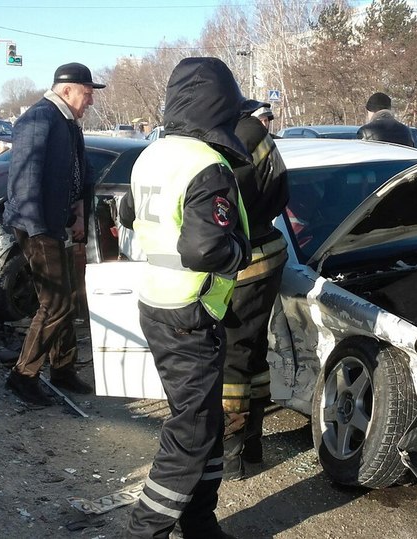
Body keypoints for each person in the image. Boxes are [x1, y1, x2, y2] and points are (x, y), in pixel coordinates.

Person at [117, 57, 251, 538]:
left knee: (204, 419)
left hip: (159, 303)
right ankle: (144, 531)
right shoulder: (206, 164)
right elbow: (203, 247)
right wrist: (239, 248)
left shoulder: (152, 153)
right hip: (190, 311)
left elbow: (130, 216)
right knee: (192, 432)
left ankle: (200, 523)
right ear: (219, 109)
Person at [1, 62, 102, 406]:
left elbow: (81, 170)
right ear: (67, 89)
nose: (90, 101)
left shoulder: (67, 122)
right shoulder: (38, 120)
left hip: (56, 221)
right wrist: (40, 231)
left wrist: (80, 211)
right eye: (87, 94)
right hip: (37, 224)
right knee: (55, 302)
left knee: (67, 298)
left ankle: (63, 368)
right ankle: (22, 376)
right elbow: (25, 181)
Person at [221, 100, 290, 481]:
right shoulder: (257, 132)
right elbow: (278, 192)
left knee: (232, 355)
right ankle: (252, 444)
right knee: (254, 350)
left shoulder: (224, 136)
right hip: (271, 250)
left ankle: (230, 457)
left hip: (242, 261)